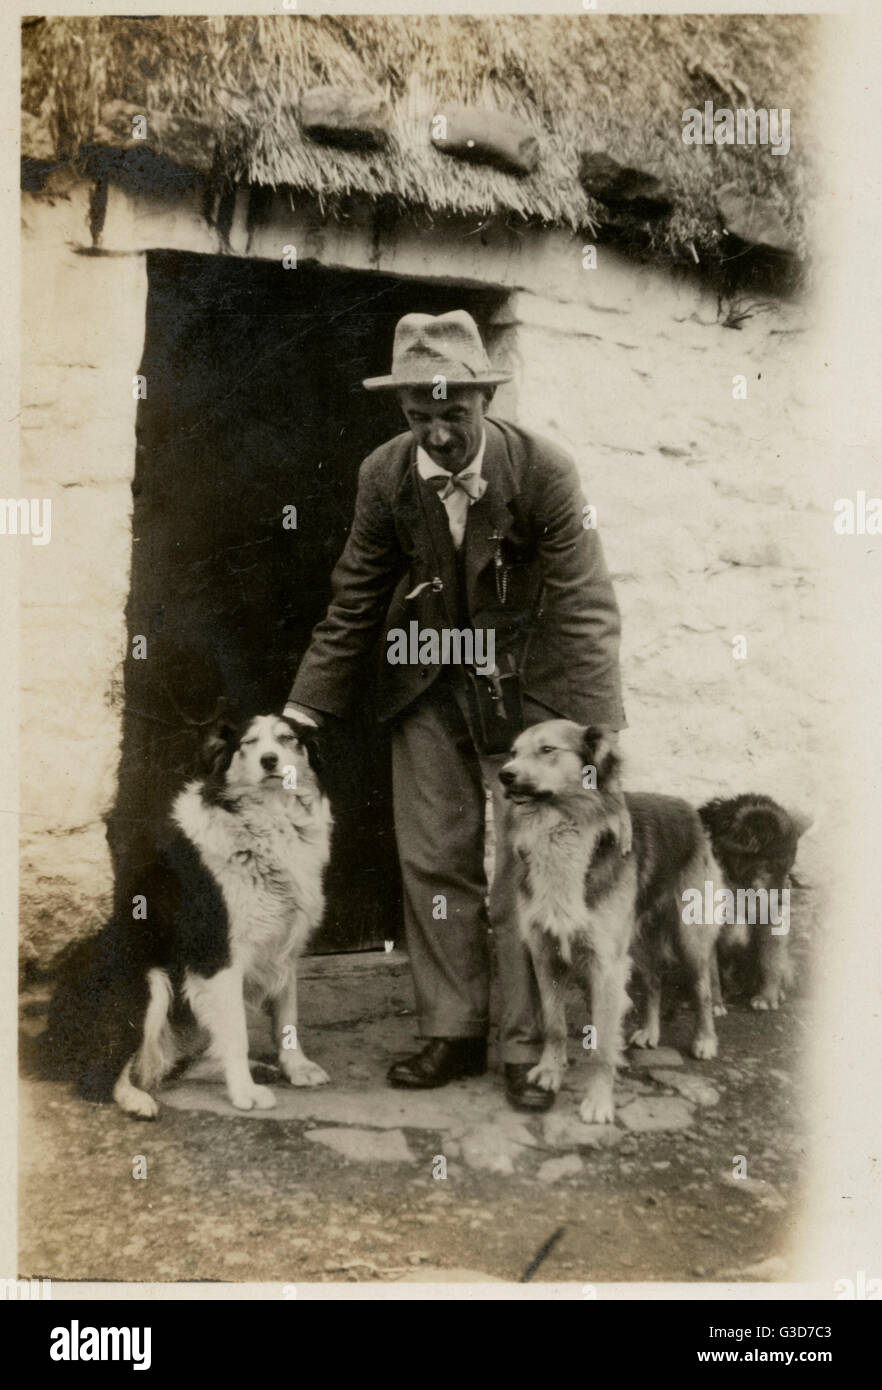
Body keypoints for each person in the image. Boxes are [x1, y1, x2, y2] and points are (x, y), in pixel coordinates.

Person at [284, 310, 625, 1111]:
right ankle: (453, 1028)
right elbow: (356, 599)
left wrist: (595, 730)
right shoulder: (384, 474)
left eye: (453, 415)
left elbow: (583, 601)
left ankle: (523, 1042)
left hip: (526, 693)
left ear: (483, 401)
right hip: (426, 682)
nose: (437, 434)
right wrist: (305, 709)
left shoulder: (543, 470)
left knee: (520, 870)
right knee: (433, 856)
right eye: (419, 417)